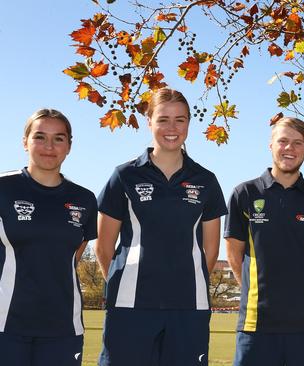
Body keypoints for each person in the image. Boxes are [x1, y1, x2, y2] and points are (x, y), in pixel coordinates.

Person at [95, 88, 227, 366]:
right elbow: (104, 246)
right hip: (131, 304)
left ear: (189, 123)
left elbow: (211, 250)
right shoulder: (125, 175)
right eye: (163, 119)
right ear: (149, 121)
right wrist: (126, 283)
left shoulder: (206, 180)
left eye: (180, 120)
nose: (172, 128)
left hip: (189, 305)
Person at [224, 117, 304, 366]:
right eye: (283, 141)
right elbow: (233, 255)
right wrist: (259, 292)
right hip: (255, 323)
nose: (289, 148)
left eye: (298, 143)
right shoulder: (244, 194)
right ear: (271, 145)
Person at [0, 109, 97, 366]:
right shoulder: (3, 189)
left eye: (59, 138)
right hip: (6, 325)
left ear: (69, 146)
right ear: (25, 142)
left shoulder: (84, 200)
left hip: (63, 328)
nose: (49, 146)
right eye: (40, 137)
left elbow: (73, 256)